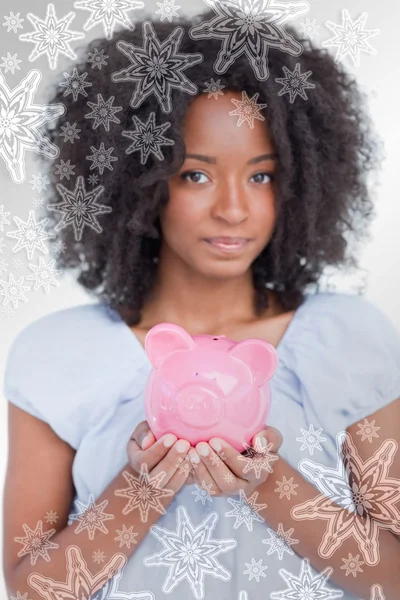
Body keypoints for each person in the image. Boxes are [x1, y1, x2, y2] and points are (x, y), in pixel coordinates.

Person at [3, 7, 400, 600]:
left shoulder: (348, 342)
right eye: (196, 175)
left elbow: (392, 577)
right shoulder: (59, 356)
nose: (235, 209)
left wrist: (267, 485)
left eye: (261, 177)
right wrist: (142, 488)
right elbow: (33, 589)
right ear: (136, 179)